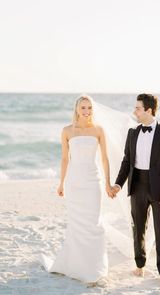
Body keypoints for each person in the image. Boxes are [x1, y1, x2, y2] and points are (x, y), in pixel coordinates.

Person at [40, 95, 114, 286]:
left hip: (93, 180)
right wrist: (61, 183)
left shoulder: (98, 130)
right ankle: (78, 266)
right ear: (76, 109)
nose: (87, 111)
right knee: (76, 224)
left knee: (94, 224)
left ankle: (96, 269)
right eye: (83, 108)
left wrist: (108, 183)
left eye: (89, 108)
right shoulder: (67, 131)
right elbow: (64, 159)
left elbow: (105, 159)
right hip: (74, 182)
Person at [111, 93, 160, 286]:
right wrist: (118, 184)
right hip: (137, 184)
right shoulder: (133, 132)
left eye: (138, 108)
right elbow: (126, 162)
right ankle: (140, 265)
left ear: (149, 110)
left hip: (159, 189)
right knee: (138, 227)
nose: (135, 112)